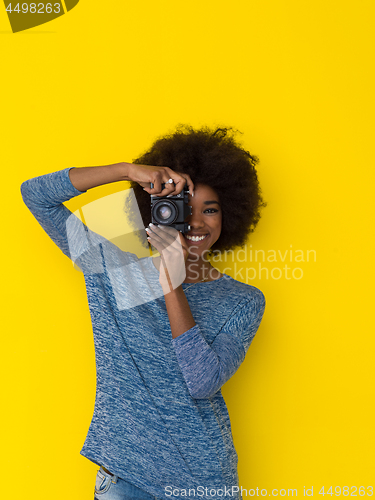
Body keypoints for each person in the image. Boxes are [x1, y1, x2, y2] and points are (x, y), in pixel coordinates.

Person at [21, 125, 267, 500]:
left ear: (230, 214)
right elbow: (35, 195)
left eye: (211, 209)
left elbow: (201, 382)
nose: (197, 223)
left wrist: (171, 279)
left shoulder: (243, 300)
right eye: (185, 209)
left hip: (201, 481)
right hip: (124, 478)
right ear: (157, 213)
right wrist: (128, 170)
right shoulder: (113, 269)